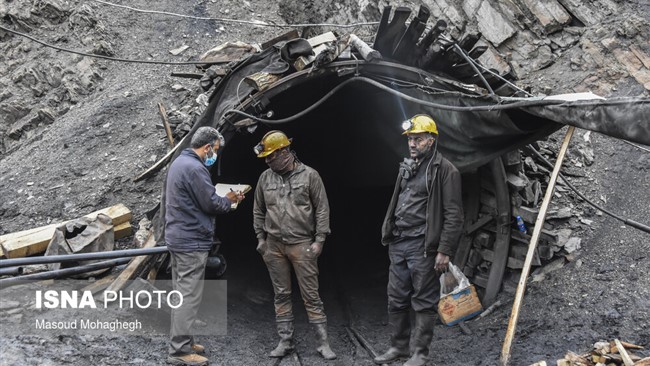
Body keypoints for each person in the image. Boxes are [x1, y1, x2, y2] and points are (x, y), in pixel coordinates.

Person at [375, 114, 464, 366]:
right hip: (400, 242)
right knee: (396, 296)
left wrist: (444, 250)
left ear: (432, 140)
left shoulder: (446, 171)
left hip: (423, 245)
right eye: (410, 139)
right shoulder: (408, 167)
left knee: (424, 299)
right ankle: (398, 347)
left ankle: (420, 354)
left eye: (419, 139)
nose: (413, 144)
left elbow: (454, 215)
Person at [252, 130, 337, 360]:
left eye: (271, 156)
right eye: (267, 158)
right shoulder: (265, 178)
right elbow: (258, 210)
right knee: (281, 294)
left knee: (311, 295)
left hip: (302, 244)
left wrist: (319, 240)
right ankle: (285, 341)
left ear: (285, 152)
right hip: (274, 245)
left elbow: (322, 209)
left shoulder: (310, 176)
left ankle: (323, 343)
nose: (268, 161)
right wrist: (261, 239)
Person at [164, 126, 245, 366]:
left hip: (178, 238)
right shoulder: (195, 168)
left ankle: (185, 341)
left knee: (181, 294)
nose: (215, 155)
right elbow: (212, 204)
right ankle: (179, 352)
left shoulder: (179, 163)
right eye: (216, 150)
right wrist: (229, 199)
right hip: (190, 242)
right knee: (188, 297)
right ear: (207, 146)